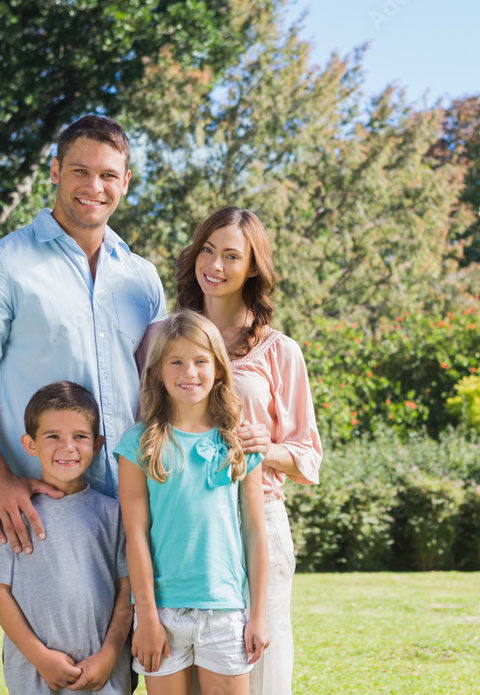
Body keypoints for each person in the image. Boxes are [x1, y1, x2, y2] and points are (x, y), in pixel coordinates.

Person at [0, 115, 166, 555]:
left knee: (147, 627)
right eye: (80, 170)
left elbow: (165, 386)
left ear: (126, 182)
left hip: (143, 510)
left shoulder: (144, 278)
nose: (94, 186)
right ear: (56, 171)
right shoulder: (0, 264)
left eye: (108, 175)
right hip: (45, 511)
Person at [175, 206, 324, 695]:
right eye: (208, 250)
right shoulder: (163, 338)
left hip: (257, 523)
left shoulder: (280, 351)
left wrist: (270, 448)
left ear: (253, 268)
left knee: (259, 672)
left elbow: (307, 455)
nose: (215, 264)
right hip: (186, 527)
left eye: (231, 256)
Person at [116, 310, 270, 695]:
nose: (189, 372)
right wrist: (146, 614)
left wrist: (258, 615)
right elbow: (135, 536)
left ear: (218, 369)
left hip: (225, 609)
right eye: (176, 362)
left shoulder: (238, 444)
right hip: (162, 613)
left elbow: (254, 531)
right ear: (158, 372)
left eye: (201, 361)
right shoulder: (138, 445)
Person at [0, 381, 133, 694]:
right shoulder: (10, 514)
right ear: (30, 444)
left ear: (97, 444)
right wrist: (40, 657)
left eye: (80, 437)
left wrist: (109, 654)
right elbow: (0, 596)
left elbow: (126, 592)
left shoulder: (114, 514)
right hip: (35, 676)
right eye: (53, 436)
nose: (67, 446)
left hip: (104, 676)